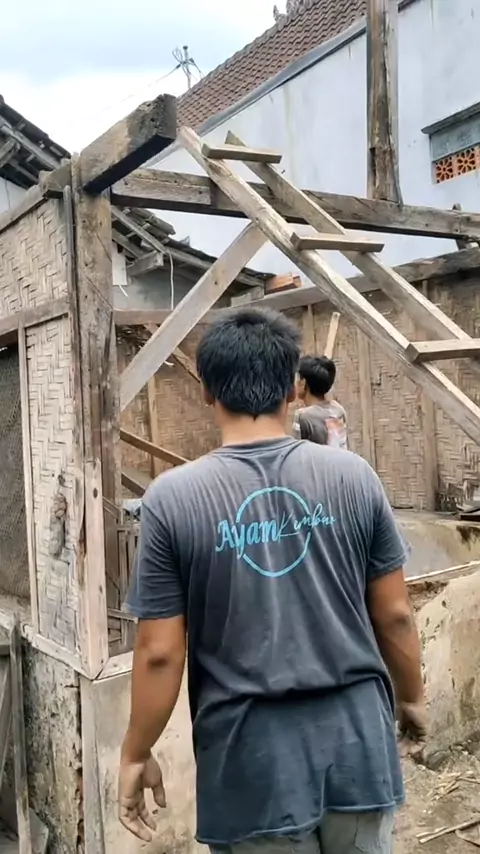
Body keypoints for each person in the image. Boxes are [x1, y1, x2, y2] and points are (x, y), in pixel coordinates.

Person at [118, 307, 426, 854]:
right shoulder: (355, 477)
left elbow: (160, 652)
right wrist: (411, 698)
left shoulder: (171, 500)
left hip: (251, 765)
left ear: (207, 391)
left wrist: (136, 752)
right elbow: (395, 613)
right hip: (358, 746)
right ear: (291, 388)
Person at [293, 355, 348, 448]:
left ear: (303, 383)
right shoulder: (338, 410)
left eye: (298, 379)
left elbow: (297, 452)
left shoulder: (302, 416)